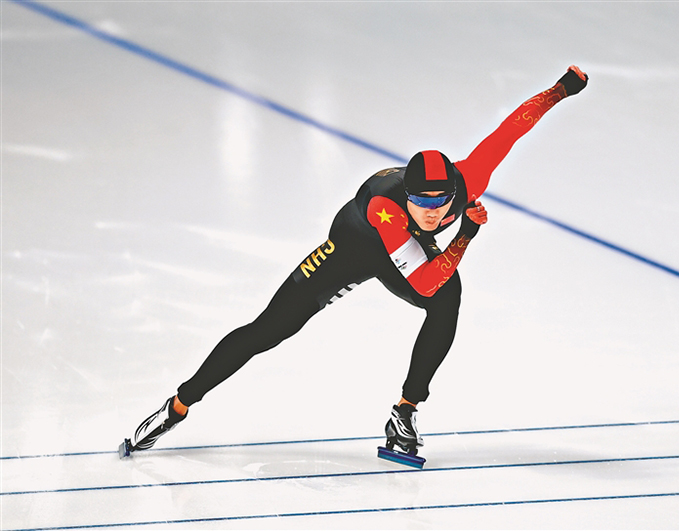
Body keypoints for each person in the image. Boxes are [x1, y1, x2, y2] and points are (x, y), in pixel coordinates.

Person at [120, 65, 589, 459]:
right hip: (357, 244)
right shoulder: (388, 209)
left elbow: (513, 127)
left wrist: (560, 89)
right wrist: (465, 232)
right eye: (421, 202)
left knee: (450, 298)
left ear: (456, 190)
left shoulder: (470, 179)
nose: (432, 212)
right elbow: (424, 281)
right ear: (406, 196)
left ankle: (405, 411)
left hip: (403, 245)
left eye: (441, 202)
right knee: (271, 329)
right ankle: (177, 405)